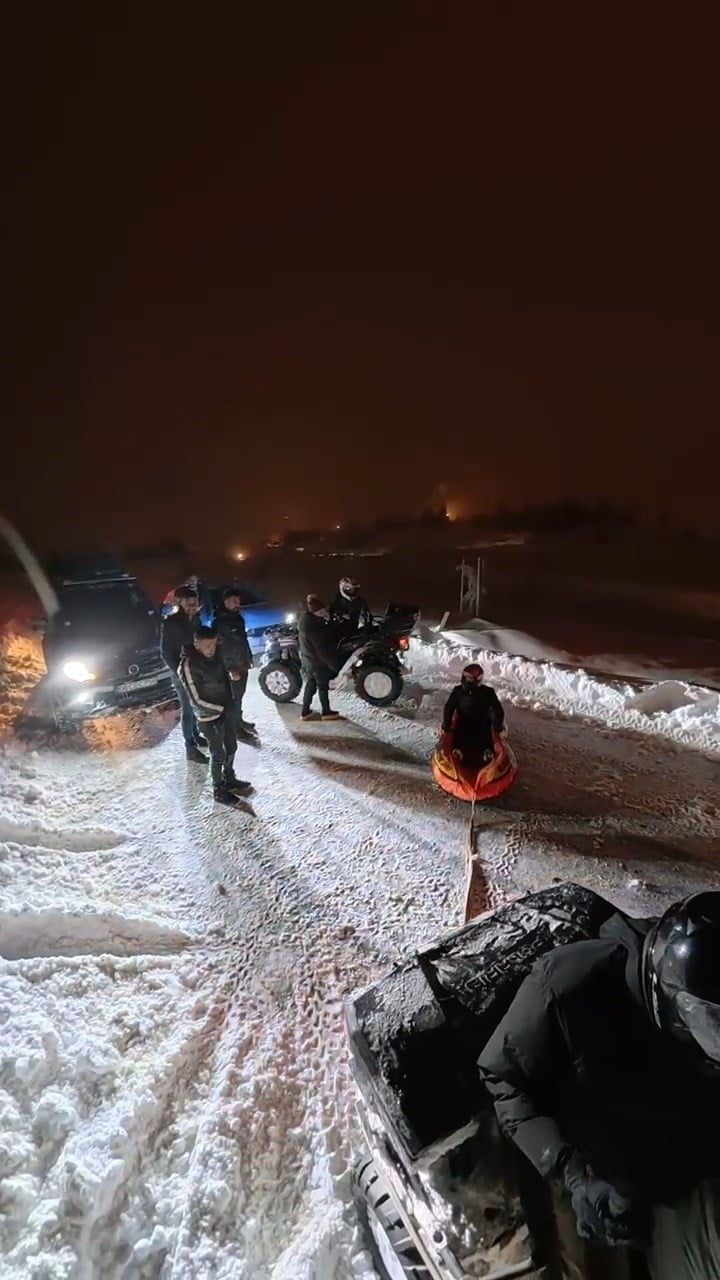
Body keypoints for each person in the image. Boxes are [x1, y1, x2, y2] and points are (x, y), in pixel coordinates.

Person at [478, 891, 720, 1280]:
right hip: (624, 1184)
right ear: (667, 997)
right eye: (711, 1025)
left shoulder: (700, 1007)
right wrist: (576, 1177)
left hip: (690, 1169)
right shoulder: (567, 987)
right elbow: (504, 1077)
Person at [178, 626, 252, 805]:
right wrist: (220, 709)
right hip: (208, 717)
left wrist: (229, 676)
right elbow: (195, 698)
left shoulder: (216, 655)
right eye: (207, 646)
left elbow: (220, 676)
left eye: (213, 644)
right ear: (197, 644)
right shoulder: (188, 665)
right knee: (218, 753)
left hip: (225, 709)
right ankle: (218, 789)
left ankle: (229, 778)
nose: (211, 649)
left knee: (231, 747)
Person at [160, 585, 207, 762]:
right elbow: (165, 651)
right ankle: (190, 748)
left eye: (195, 603)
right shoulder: (171, 622)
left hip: (196, 670)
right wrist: (179, 671)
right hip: (181, 672)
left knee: (195, 707)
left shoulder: (196, 619)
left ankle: (195, 736)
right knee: (187, 710)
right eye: (189, 603)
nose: (193, 606)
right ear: (180, 603)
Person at [441, 663, 504, 764]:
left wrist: (446, 725)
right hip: (481, 726)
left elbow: (449, 708)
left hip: (465, 725)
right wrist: (497, 728)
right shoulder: (488, 692)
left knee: (460, 730)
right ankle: (486, 751)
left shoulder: (458, 691)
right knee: (484, 731)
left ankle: (459, 750)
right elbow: (497, 711)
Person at [214, 587, 255, 736]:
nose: (237, 603)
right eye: (233, 600)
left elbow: (243, 641)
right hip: (233, 667)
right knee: (233, 699)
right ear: (225, 602)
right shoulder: (220, 622)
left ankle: (239, 721)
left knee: (240, 695)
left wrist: (248, 657)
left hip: (242, 662)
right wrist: (230, 669)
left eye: (238, 600)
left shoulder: (238, 618)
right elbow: (221, 648)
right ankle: (235, 729)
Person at [297, 595, 341, 721]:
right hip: (317, 663)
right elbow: (321, 649)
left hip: (308, 661)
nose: (324, 613)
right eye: (322, 611)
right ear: (316, 612)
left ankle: (305, 712)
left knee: (310, 686)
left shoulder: (306, 621)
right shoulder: (314, 627)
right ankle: (326, 712)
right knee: (322, 687)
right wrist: (333, 665)